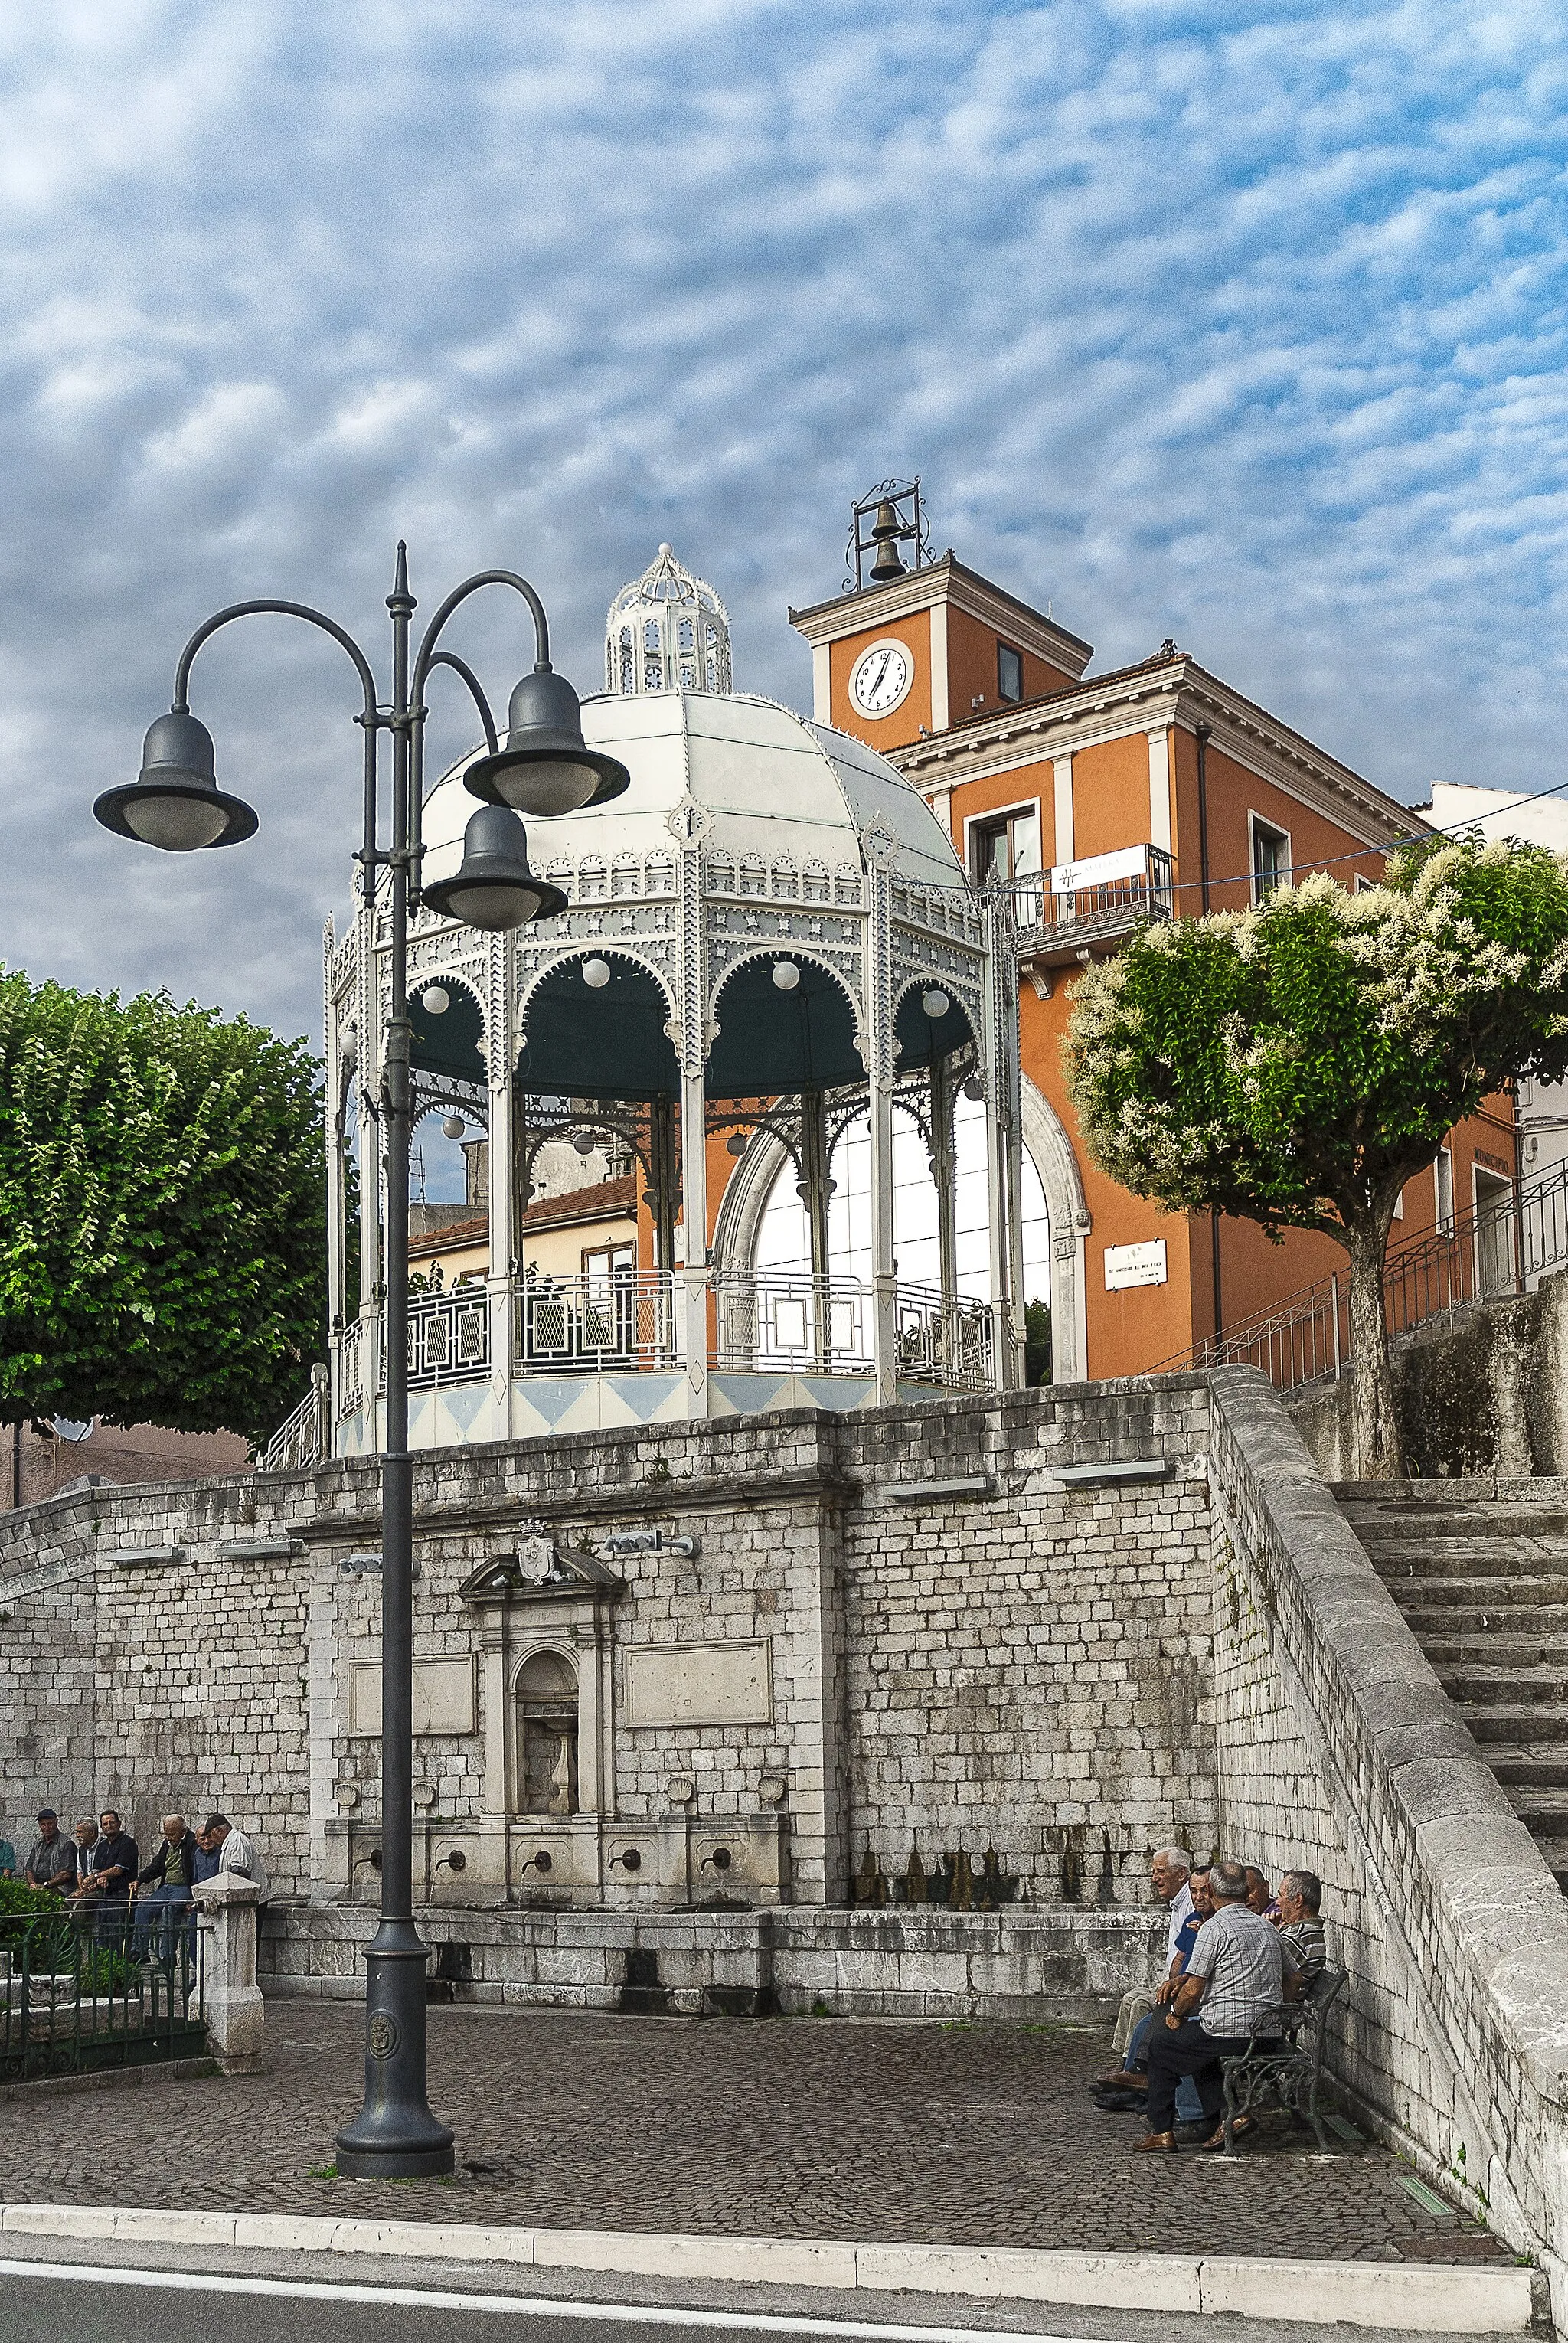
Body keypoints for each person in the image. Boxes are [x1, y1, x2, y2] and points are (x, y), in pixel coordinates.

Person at [1133, 1858, 1283, 2153]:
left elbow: (1193, 1988)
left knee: (1163, 2047)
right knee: (1196, 2051)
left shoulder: (1213, 1929)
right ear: (1244, 1892)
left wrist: (1175, 2015)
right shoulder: (1267, 1928)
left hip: (1229, 2031)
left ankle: (1162, 2131)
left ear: (1212, 1890)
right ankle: (1231, 2117)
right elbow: (1294, 1978)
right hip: (1269, 2034)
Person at [1110, 1845, 1194, 2059]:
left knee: (1140, 2004)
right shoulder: (1178, 1903)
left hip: (1183, 1986)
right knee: (1130, 1998)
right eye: (1154, 1872)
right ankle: (1125, 2060)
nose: (1154, 1878)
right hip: (1172, 1981)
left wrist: (1172, 1983)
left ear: (1181, 1873)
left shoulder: (1192, 1905)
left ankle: (1138, 2068)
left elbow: (1187, 1958)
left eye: (1160, 1871)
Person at [132, 1813, 200, 1962]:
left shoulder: (192, 1844)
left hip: (183, 1887)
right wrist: (139, 1880)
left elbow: (196, 1871)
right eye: (166, 1833)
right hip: (166, 1887)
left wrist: (193, 1897)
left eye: (172, 1834)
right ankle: (139, 1951)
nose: (169, 1838)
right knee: (143, 1908)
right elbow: (157, 1865)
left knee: (170, 1910)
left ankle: (167, 1954)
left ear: (183, 1831)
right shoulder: (167, 1844)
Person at [87, 1811, 139, 1947]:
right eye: (105, 1824)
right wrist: (99, 1878)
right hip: (105, 1894)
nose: (108, 1826)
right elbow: (96, 1868)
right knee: (104, 1933)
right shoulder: (102, 1845)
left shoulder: (128, 1843)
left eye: (112, 1822)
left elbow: (118, 1869)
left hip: (122, 1895)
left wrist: (97, 1877)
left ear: (119, 1824)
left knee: (118, 1935)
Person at [1275, 1868, 1328, 1995]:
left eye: (1281, 1895)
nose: (1277, 1902)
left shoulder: (1300, 1935)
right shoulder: (1304, 1932)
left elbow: (1267, 1973)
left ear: (1298, 1900)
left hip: (1280, 2010)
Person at [24, 1809, 76, 1893]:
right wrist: (32, 1884)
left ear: (56, 1822)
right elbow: (29, 1868)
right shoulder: (38, 1843)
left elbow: (66, 1874)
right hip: (38, 1886)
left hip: (60, 1887)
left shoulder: (66, 1843)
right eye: (43, 1825)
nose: (47, 1828)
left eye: (50, 1824)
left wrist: (46, 1885)